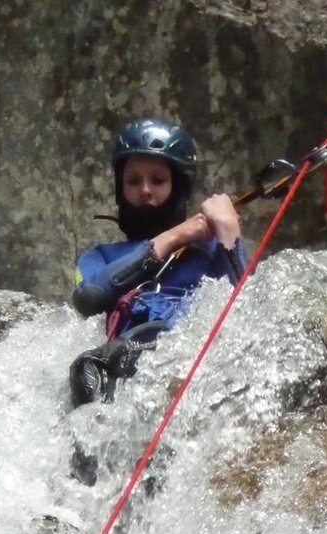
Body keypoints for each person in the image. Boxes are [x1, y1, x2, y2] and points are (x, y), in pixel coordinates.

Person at [69, 117, 248, 407]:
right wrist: (173, 237)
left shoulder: (210, 250)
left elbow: (247, 310)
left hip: (194, 354)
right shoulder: (100, 257)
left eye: (158, 180)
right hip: (127, 358)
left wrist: (228, 228)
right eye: (133, 181)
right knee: (86, 368)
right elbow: (89, 297)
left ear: (179, 186)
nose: (145, 190)